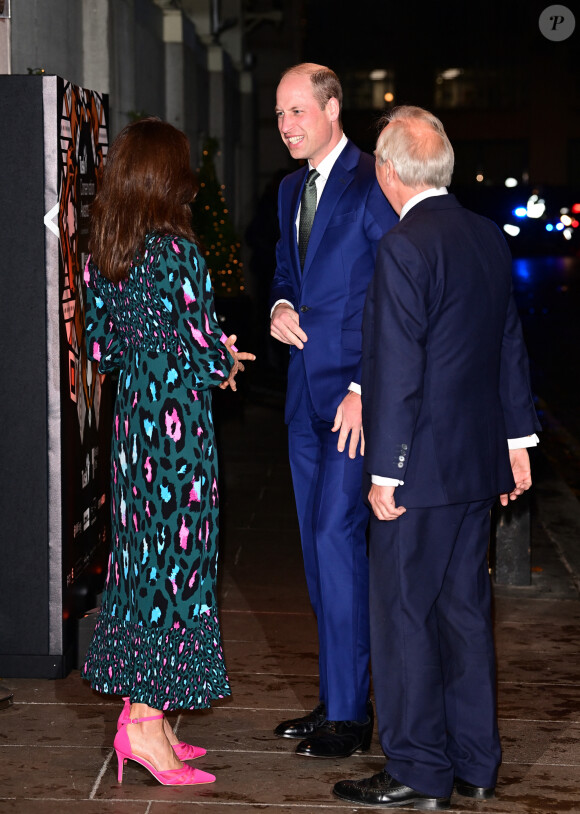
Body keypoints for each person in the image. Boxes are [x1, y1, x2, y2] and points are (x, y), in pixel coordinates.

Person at [333, 106, 541, 808]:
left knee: (404, 615)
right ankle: (476, 761)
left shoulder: (404, 246)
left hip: (418, 473)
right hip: (475, 465)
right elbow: (508, 344)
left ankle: (419, 769)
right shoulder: (485, 237)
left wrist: (384, 471)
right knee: (462, 610)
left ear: (388, 173)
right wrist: (518, 443)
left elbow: (398, 369)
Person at [82, 118, 254, 787]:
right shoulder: (177, 252)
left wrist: (161, 351)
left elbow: (99, 350)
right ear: (165, 176)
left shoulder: (108, 252)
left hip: (133, 428)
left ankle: (141, 711)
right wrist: (226, 358)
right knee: (176, 567)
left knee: (140, 562)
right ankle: (146, 725)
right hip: (178, 430)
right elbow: (204, 347)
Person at [270, 63, 397, 758]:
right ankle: (337, 693)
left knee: (336, 542)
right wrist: (280, 306)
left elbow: (395, 291)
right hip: (301, 402)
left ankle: (352, 715)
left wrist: (364, 388)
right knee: (320, 560)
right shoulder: (291, 187)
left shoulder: (373, 177)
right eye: (280, 114)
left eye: (297, 111)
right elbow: (291, 276)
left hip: (352, 403)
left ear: (332, 107)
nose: (286, 125)